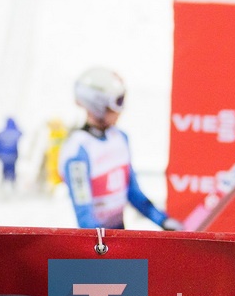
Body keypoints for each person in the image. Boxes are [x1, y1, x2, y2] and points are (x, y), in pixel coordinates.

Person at [58, 67, 182, 231]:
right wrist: (107, 249)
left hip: (118, 233)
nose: (121, 110)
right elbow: (84, 217)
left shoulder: (120, 138)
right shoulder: (77, 151)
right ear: (98, 105)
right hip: (99, 244)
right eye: (118, 102)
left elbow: (133, 192)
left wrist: (163, 221)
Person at [0, 117, 22, 185]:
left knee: (4, 170)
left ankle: (4, 184)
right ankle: (12, 185)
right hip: (13, 156)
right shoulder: (17, 133)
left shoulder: (1, 134)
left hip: (3, 157)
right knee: (12, 171)